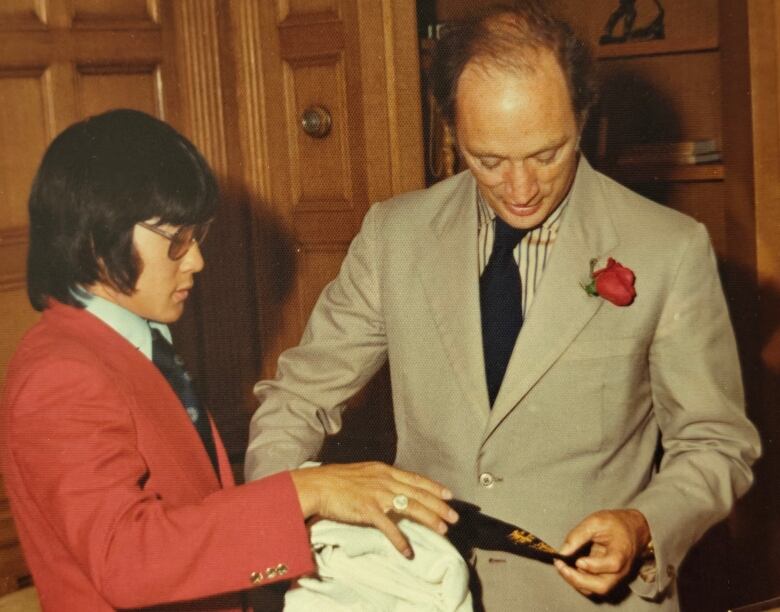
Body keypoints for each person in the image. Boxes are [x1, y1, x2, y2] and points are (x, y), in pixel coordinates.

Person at [244, 2, 761, 610]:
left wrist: (643, 525)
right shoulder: (395, 236)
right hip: (417, 593)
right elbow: (298, 397)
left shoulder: (669, 250)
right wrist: (287, 509)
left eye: (547, 154)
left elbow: (717, 443)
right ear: (450, 132)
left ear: (583, 117)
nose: (521, 189)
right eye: (488, 160)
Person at [0, 109, 459, 612]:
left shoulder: (129, 345)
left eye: (197, 237)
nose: (195, 259)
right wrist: (304, 491)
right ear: (96, 236)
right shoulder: (61, 374)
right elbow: (125, 559)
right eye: (175, 241)